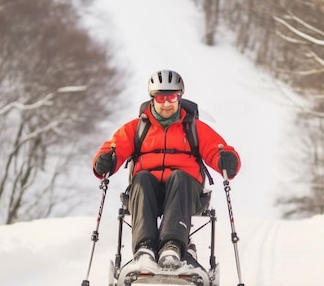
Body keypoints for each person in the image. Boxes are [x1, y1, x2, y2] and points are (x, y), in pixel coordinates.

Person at [92, 70, 241, 270]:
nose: (166, 103)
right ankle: (145, 249)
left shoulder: (194, 128)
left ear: (179, 97)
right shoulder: (137, 128)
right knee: (142, 177)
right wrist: (105, 161)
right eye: (161, 97)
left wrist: (227, 160)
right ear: (153, 98)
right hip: (147, 192)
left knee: (179, 176)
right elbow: (112, 148)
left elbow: (218, 149)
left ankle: (172, 246)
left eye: (171, 97)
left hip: (186, 192)